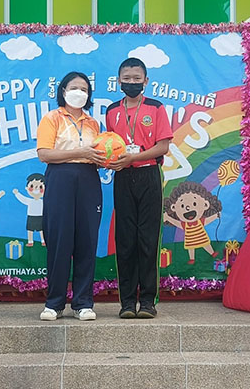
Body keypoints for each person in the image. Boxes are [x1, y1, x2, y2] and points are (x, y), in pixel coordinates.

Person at [106, 57, 173, 319]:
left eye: (136, 78)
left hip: (149, 175)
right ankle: (126, 303)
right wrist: (113, 161)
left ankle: (147, 302)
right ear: (118, 81)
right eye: (126, 78)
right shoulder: (112, 110)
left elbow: (163, 146)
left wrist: (134, 157)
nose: (131, 82)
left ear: (146, 81)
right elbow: (110, 145)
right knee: (125, 240)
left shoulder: (156, 108)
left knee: (148, 239)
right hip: (123, 177)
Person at [36, 72, 103, 321]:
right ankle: (54, 303)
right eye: (74, 88)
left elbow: (97, 154)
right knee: (59, 240)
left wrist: (105, 158)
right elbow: (44, 154)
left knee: (87, 240)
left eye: (84, 89)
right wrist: (80, 152)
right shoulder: (52, 118)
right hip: (60, 178)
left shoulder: (93, 123)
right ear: (63, 91)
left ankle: (83, 303)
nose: (79, 93)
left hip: (88, 180)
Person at [12, 173, 46, 247]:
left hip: (40, 216)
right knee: (30, 230)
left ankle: (43, 240)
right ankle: (30, 241)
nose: (36, 189)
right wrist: (17, 194)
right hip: (31, 216)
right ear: (27, 188)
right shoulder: (30, 201)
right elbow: (22, 199)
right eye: (32, 186)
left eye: (40, 187)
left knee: (41, 230)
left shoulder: (43, 201)